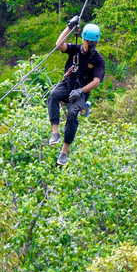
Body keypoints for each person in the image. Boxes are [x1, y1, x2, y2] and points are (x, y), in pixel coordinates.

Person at [47, 15, 105, 165]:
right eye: (88, 42)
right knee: (53, 94)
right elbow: (59, 44)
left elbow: (97, 81)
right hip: (68, 85)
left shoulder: (98, 59)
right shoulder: (75, 50)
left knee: (73, 113)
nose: (90, 45)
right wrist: (69, 26)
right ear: (84, 40)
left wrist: (81, 91)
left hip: (81, 92)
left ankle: (64, 150)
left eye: (93, 43)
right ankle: (55, 132)